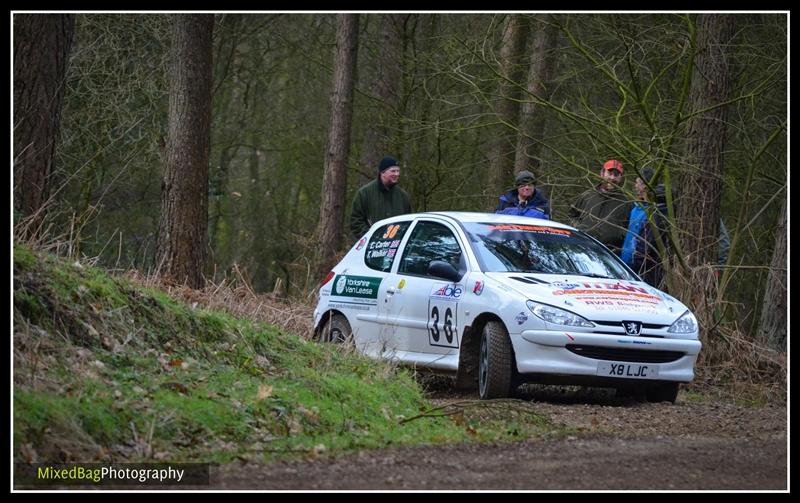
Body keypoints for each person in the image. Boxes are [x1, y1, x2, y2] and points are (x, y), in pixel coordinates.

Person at [569, 159, 632, 256]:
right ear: (602, 174)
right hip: (582, 250)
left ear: (621, 177)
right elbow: (572, 215)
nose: (612, 178)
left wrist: (618, 236)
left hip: (609, 255)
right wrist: (579, 229)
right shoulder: (587, 195)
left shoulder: (626, 202)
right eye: (609, 173)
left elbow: (629, 227)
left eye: (616, 175)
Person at [621, 167, 668, 288]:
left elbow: (645, 246)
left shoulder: (654, 212)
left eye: (637, 183)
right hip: (625, 267)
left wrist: (634, 265)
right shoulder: (635, 208)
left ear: (645, 186)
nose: (635, 186)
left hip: (643, 273)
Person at [349, 155, 412, 240]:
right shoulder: (364, 194)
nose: (397, 174)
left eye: (398, 171)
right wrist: (371, 237)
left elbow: (408, 222)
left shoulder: (403, 196)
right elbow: (355, 221)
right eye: (393, 171)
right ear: (382, 172)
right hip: (372, 247)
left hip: (396, 247)